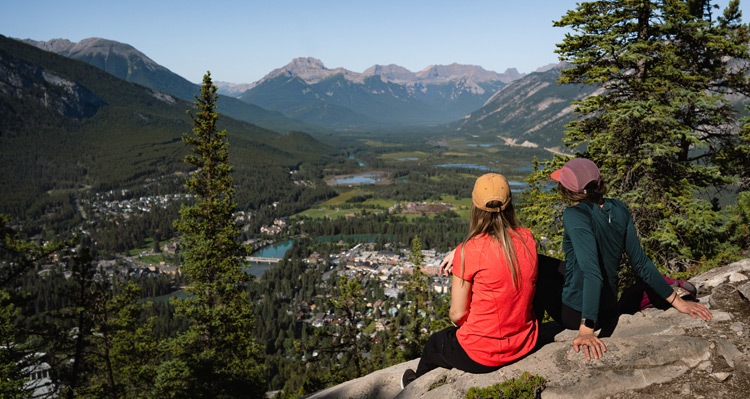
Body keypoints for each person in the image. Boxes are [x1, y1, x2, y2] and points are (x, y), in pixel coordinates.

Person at [532, 158, 712, 361]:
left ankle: (529, 337)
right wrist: (677, 302)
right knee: (546, 263)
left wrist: (586, 330)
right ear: (598, 184)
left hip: (576, 314)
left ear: (567, 190)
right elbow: (641, 262)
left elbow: (592, 274)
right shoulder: (618, 208)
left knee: (531, 267)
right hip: (608, 307)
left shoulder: (574, 215)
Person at [401, 173, 538, 388]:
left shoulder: (470, 251)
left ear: (474, 207)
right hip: (524, 342)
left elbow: (457, 315)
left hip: (480, 355)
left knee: (435, 343)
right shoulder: (527, 238)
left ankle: (415, 387)